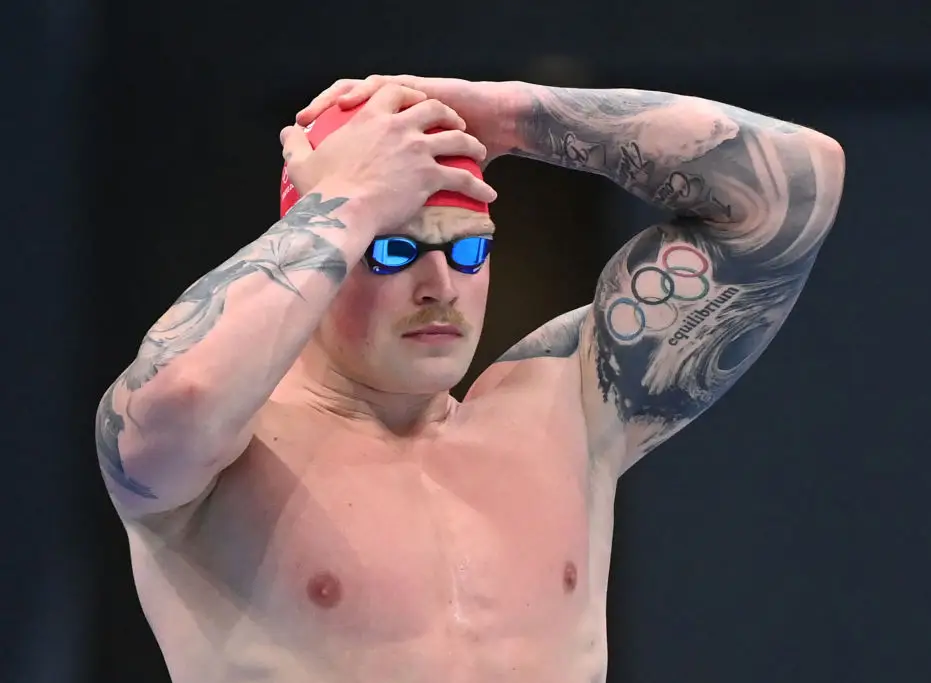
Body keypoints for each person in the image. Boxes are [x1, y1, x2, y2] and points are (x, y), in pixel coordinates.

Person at [94, 74, 846, 683]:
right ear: (318, 252)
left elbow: (795, 188)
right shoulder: (223, 458)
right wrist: (350, 200)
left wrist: (514, 114)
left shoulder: (568, 407)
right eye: (394, 251)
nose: (440, 287)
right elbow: (178, 394)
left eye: (467, 253)